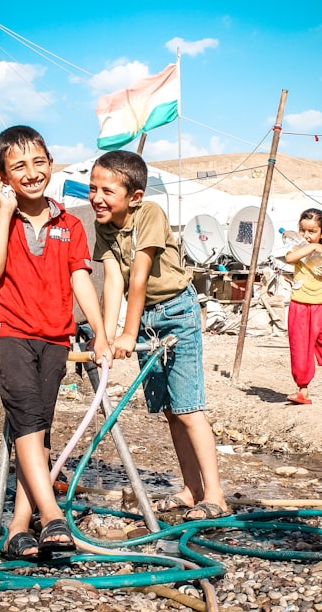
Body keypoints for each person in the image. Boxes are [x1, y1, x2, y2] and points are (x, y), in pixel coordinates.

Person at [0, 125, 111, 560]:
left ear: (51, 164)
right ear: (4, 176)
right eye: (18, 166)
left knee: (35, 429)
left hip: (55, 337)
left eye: (38, 162)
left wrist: (102, 332)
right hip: (10, 333)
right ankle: (52, 516)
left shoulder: (70, 223)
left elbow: (81, 279)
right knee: (29, 422)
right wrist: (4, 211)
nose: (31, 172)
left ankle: (19, 526)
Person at [88, 150, 229, 522]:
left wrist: (127, 332)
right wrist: (104, 334)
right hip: (147, 317)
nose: (96, 198)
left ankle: (215, 494)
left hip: (175, 312)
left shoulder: (149, 213)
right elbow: (113, 279)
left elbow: (138, 273)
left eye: (106, 191)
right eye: (92, 188)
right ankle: (191, 489)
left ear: (134, 196)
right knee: (169, 410)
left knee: (189, 408)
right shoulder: (104, 225)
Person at [283, 208, 322, 406]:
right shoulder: (298, 250)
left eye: (312, 232)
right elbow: (289, 259)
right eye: (303, 230)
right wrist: (312, 248)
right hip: (300, 305)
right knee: (300, 348)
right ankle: (303, 391)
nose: (306, 235)